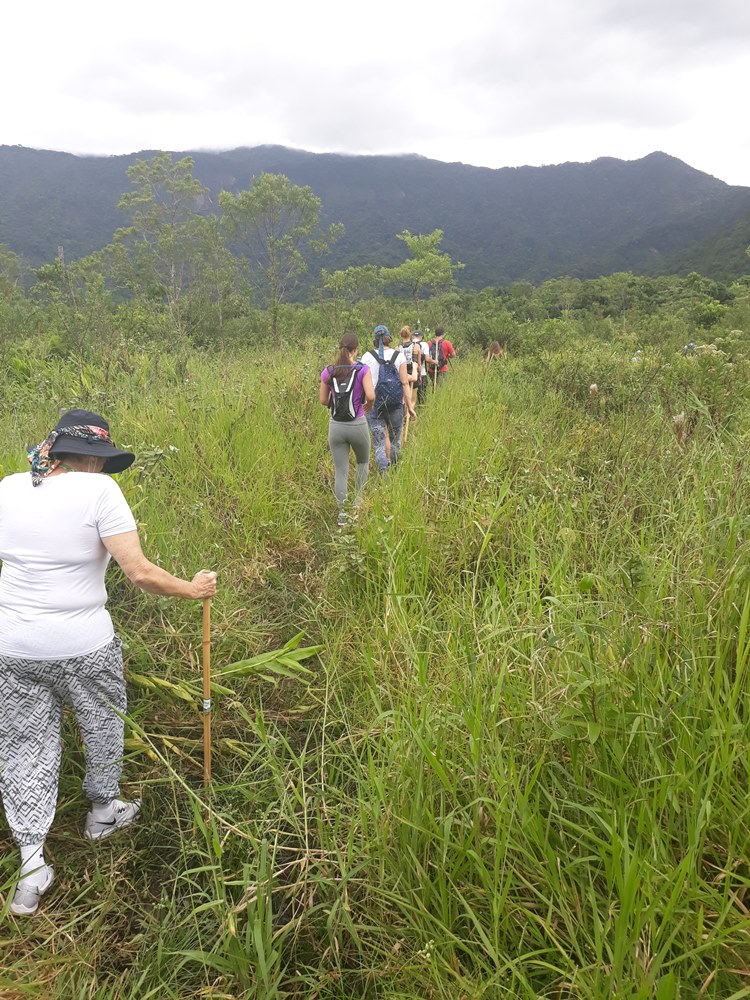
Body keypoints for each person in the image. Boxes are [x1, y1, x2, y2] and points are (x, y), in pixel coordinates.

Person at [0, 409, 217, 917]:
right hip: (83, 643)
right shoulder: (100, 493)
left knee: (25, 744)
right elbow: (139, 573)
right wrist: (193, 587)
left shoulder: (9, 486)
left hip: (14, 646)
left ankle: (32, 864)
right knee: (100, 725)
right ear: (95, 460)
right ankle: (101, 812)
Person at [319, 333, 375, 526]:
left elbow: (323, 401)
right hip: (357, 424)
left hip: (336, 427)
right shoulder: (362, 370)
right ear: (355, 350)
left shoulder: (328, 371)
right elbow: (370, 394)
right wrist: (367, 405)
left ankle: (342, 514)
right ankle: (357, 505)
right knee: (362, 463)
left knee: (340, 471)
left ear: (340, 349)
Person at [361, 326, 416, 473]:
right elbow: (405, 383)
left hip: (373, 405)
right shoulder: (399, 356)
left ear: (375, 339)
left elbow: (362, 383)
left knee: (379, 443)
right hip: (396, 405)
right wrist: (410, 407)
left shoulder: (366, 357)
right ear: (389, 338)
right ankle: (396, 472)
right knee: (395, 442)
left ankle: (383, 475)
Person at [412, 328, 429, 404]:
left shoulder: (406, 345)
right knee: (422, 394)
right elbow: (427, 358)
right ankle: (422, 407)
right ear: (421, 337)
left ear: (412, 336)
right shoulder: (424, 344)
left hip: (409, 374)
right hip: (421, 372)